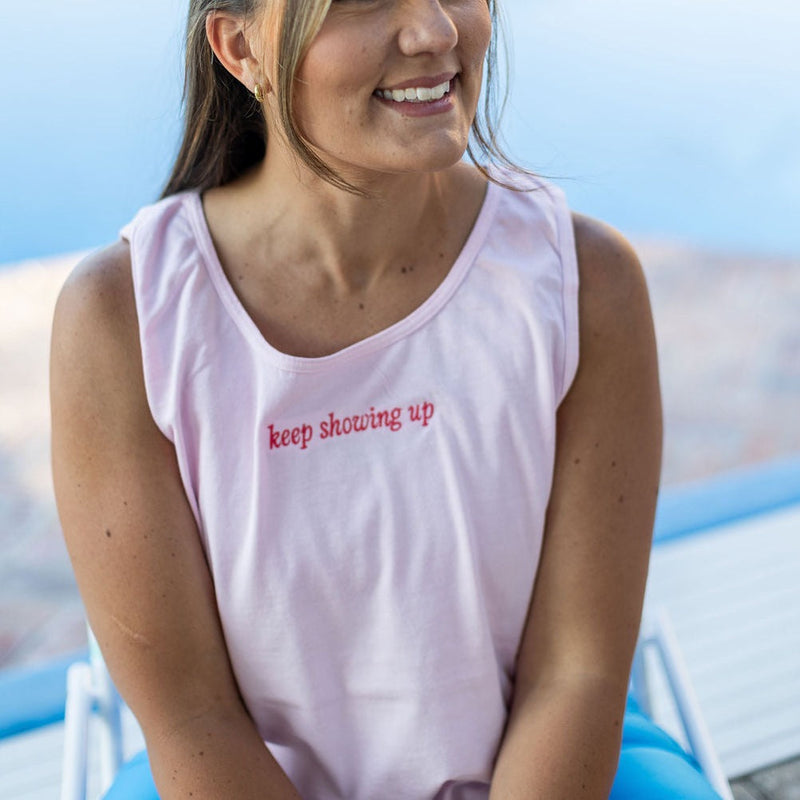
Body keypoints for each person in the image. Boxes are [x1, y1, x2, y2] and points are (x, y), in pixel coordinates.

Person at [50, 1, 720, 798]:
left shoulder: (585, 284)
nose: (436, 31)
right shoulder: (124, 324)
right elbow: (193, 718)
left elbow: (575, 674)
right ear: (241, 48)